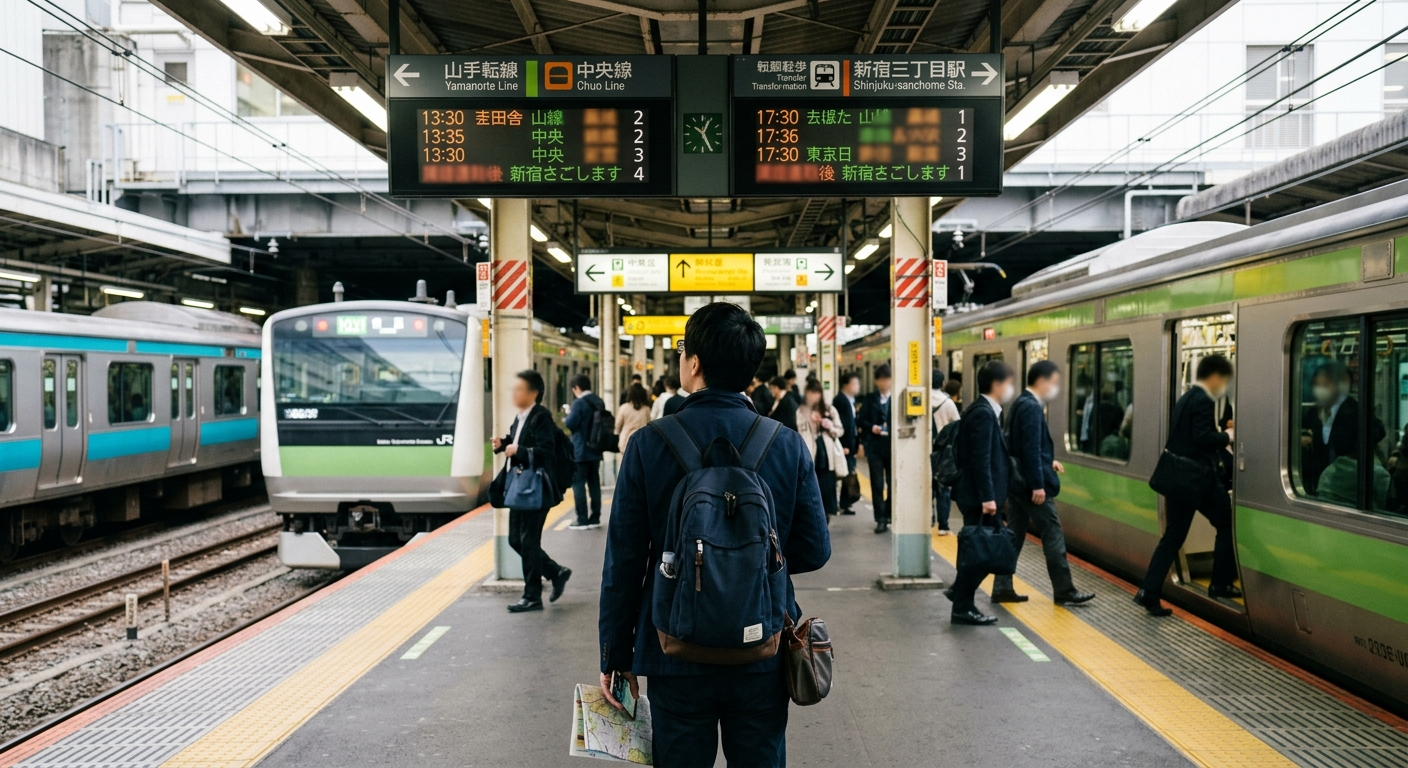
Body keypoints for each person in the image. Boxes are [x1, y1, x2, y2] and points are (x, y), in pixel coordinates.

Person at [598, 302, 831, 768]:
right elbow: (814, 549)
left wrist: (615, 656)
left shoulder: (648, 444)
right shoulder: (785, 443)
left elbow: (624, 562)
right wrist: (752, 568)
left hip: (673, 651)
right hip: (762, 647)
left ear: (695, 364)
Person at [1136, 354, 1239, 617]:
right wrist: (1226, 436)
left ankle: (1148, 591)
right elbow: (1201, 437)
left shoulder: (1187, 397)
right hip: (1194, 480)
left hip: (1178, 478)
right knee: (1226, 523)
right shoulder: (1204, 399)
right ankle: (1220, 583)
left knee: (1172, 536)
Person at [990, 362, 1096, 605]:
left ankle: (1002, 587)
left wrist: (1048, 461)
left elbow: (1019, 445)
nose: (1055, 389)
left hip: (1016, 483)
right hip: (1029, 485)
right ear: (1042, 381)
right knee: (1052, 533)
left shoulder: (1019, 402)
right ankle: (1064, 590)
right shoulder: (1031, 407)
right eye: (1054, 383)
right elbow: (1029, 449)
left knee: (1014, 535)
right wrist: (1038, 484)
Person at [493, 370, 571, 612]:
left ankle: (532, 595)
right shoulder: (521, 417)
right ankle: (555, 572)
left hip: (536, 490)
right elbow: (519, 443)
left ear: (533, 393)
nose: (514, 394)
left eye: (519, 389)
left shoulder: (541, 417)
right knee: (517, 540)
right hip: (521, 489)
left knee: (528, 542)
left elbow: (545, 451)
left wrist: (518, 451)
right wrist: (504, 444)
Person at [946, 360, 1016, 626]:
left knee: (981, 551)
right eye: (1009, 383)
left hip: (979, 496)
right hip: (980, 498)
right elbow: (981, 459)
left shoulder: (984, 411)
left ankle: (960, 595)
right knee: (982, 553)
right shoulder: (983, 414)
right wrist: (988, 497)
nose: (1011, 388)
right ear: (997, 385)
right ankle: (962, 604)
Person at [1300, 361, 1386, 495]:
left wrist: (1353, 445)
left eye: (1325, 384)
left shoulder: (1355, 409)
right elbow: (1303, 429)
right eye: (1317, 384)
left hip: (1346, 482)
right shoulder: (1314, 411)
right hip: (1319, 480)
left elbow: (1379, 431)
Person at [798, 379, 847, 519]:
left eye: (816, 393)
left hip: (827, 456)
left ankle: (825, 518)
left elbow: (840, 430)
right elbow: (800, 432)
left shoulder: (829, 410)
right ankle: (817, 518)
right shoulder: (801, 411)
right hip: (810, 455)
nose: (813, 396)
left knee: (827, 490)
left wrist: (829, 425)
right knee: (812, 490)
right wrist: (809, 419)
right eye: (810, 393)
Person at [564, 374, 605, 530]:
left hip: (581, 450)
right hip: (596, 449)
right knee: (594, 483)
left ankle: (582, 519)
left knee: (578, 484)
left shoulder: (579, 403)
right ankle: (595, 517)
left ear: (577, 388)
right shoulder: (598, 401)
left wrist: (567, 415)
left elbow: (571, 423)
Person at [857, 364, 893, 533]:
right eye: (882, 380)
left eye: (888, 379)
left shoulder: (897, 398)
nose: (885, 383)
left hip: (893, 448)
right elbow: (861, 420)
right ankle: (880, 519)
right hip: (875, 447)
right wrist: (872, 428)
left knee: (893, 483)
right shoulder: (870, 399)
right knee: (877, 483)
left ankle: (889, 512)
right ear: (877, 381)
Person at [931, 369, 960, 535]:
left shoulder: (922, 399)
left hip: (925, 452)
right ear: (943, 384)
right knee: (943, 487)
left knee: (927, 487)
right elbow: (957, 425)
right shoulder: (948, 403)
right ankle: (943, 525)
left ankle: (928, 518)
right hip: (943, 452)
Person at [833, 373, 861, 515]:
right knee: (845, 473)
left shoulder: (850, 400)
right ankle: (844, 502)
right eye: (855, 383)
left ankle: (845, 503)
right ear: (846, 385)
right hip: (845, 445)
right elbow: (844, 426)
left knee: (847, 472)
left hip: (850, 444)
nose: (858, 387)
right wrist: (844, 446)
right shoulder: (841, 401)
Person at [615, 383, 652, 456]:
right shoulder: (646, 409)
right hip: (642, 441)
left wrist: (617, 433)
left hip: (625, 441)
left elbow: (618, 425)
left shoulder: (624, 408)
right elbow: (649, 425)